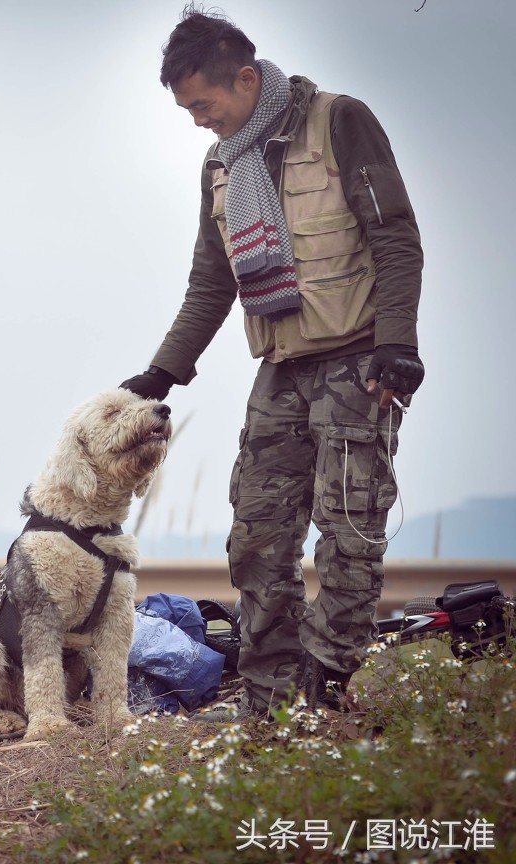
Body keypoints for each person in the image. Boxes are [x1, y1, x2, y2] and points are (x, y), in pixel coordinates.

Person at [119, 6, 425, 718]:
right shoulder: (221, 163)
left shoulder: (341, 122)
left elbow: (396, 237)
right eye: (186, 109)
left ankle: (325, 695)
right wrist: (162, 372)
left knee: (348, 537)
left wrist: (399, 344)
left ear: (247, 79)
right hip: (280, 371)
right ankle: (268, 703)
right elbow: (211, 282)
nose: (197, 120)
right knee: (256, 538)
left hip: (359, 366)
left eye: (204, 103)